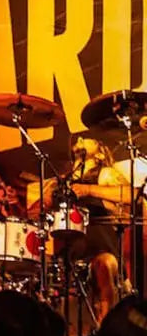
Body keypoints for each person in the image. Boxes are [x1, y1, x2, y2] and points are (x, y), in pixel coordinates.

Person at [43, 135, 135, 322]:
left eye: (89, 140)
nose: (81, 138)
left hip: (102, 251)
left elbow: (131, 194)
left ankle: (106, 333)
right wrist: (15, 205)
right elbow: (38, 210)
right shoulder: (62, 181)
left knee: (103, 265)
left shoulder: (105, 173)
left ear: (100, 153)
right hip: (68, 256)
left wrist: (89, 190)